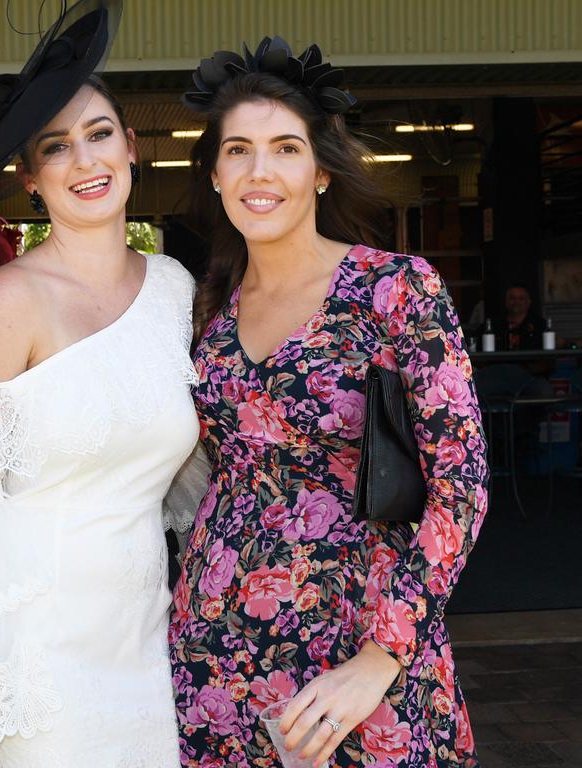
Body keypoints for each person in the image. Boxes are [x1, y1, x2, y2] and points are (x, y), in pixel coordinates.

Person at [168, 37, 489, 767]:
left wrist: (384, 654)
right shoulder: (208, 311)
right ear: (215, 174)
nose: (260, 171)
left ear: (318, 172)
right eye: (238, 150)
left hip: (360, 643)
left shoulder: (395, 289)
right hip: (216, 652)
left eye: (285, 148)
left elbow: (461, 486)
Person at [0, 2, 199, 766]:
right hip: (31, 650)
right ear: (31, 178)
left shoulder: (173, 289)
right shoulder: (8, 303)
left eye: (99, 134)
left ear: (130, 149)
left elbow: (188, 473)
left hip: (140, 641)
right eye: (56, 148)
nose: (85, 161)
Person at [499, 284, 543, 350]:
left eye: (521, 298)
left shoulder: (540, 325)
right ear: (506, 302)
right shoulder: (494, 325)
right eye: (512, 298)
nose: (516, 302)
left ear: (528, 302)